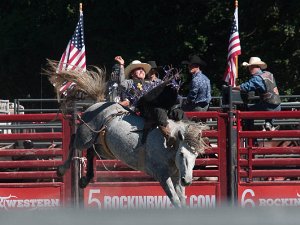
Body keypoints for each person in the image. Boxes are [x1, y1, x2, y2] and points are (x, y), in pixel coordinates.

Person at [114, 56, 180, 146]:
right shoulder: (130, 83)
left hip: (158, 106)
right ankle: (168, 136)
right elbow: (121, 83)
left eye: (142, 69)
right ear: (132, 74)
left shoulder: (151, 83)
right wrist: (121, 65)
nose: (141, 70)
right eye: (138, 69)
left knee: (177, 111)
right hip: (145, 109)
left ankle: (190, 133)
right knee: (158, 110)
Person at [233, 57, 281, 131]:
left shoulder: (257, 79)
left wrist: (233, 88)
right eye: (249, 67)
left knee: (248, 112)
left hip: (268, 107)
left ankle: (250, 134)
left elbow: (245, 87)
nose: (249, 69)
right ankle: (269, 125)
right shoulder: (269, 74)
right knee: (264, 106)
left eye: (251, 67)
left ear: (257, 67)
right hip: (277, 106)